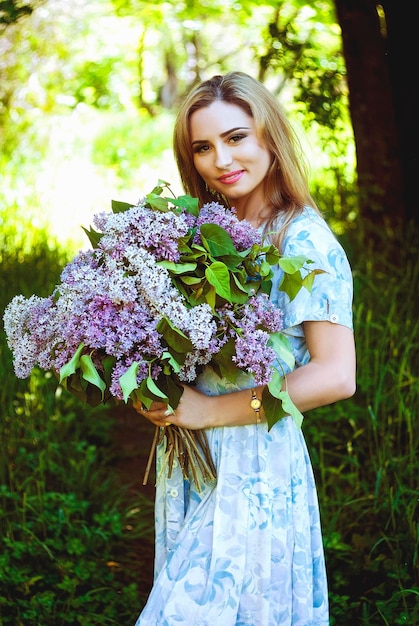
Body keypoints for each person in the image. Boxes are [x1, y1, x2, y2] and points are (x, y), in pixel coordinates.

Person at [133, 71, 356, 625]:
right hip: (192, 462)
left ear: (268, 136)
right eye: (202, 147)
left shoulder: (302, 240)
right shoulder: (199, 234)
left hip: (257, 466)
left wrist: (209, 410)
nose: (220, 160)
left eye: (236, 137)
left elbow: (335, 376)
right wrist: (152, 386)